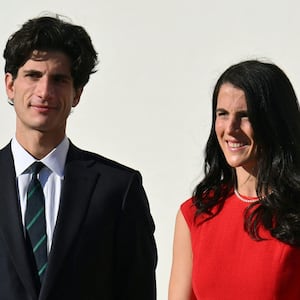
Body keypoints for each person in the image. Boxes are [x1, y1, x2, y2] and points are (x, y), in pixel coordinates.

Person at [0, 14, 157, 300]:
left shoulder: (117, 189)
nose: (44, 91)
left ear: (77, 94)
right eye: (33, 75)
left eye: (59, 79)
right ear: (10, 84)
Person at [168, 60, 300, 300]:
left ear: (273, 121)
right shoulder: (194, 215)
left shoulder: (296, 212)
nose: (230, 128)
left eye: (245, 116)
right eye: (223, 114)